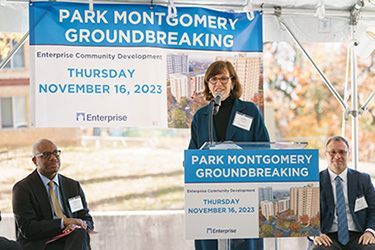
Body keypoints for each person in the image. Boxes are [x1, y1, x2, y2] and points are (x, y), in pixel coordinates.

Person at [189, 60, 270, 250]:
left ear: (233, 81)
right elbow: (193, 155)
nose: (219, 83)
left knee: (244, 243)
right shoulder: (201, 116)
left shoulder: (249, 111)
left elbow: (264, 149)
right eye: (213, 79)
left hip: (243, 192)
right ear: (208, 84)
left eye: (224, 78)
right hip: (209, 194)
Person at [12, 139, 94, 250]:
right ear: (35, 160)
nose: (53, 158)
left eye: (56, 153)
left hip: (72, 238)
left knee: (79, 233)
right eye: (46, 155)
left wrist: (79, 224)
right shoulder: (22, 189)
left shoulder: (73, 186)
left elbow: (86, 218)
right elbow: (28, 229)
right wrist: (63, 222)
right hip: (42, 243)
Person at [312, 136, 375, 250]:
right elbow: (306, 213)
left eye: (342, 152)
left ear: (348, 154)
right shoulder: (315, 181)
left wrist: (370, 231)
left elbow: (373, 209)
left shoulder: (363, 179)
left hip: (359, 235)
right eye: (333, 152)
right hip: (327, 235)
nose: (337, 156)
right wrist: (315, 233)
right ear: (325, 154)